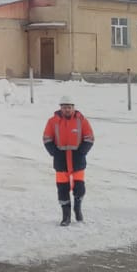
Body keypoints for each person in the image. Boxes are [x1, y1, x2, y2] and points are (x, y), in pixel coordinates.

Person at [42, 93, 94, 226]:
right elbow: (47, 138)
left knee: (79, 187)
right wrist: (54, 152)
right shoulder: (52, 121)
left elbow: (89, 137)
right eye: (64, 107)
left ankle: (78, 207)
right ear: (60, 108)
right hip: (61, 160)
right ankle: (66, 216)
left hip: (77, 159)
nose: (67, 109)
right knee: (62, 188)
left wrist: (82, 151)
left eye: (69, 107)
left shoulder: (81, 120)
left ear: (73, 107)